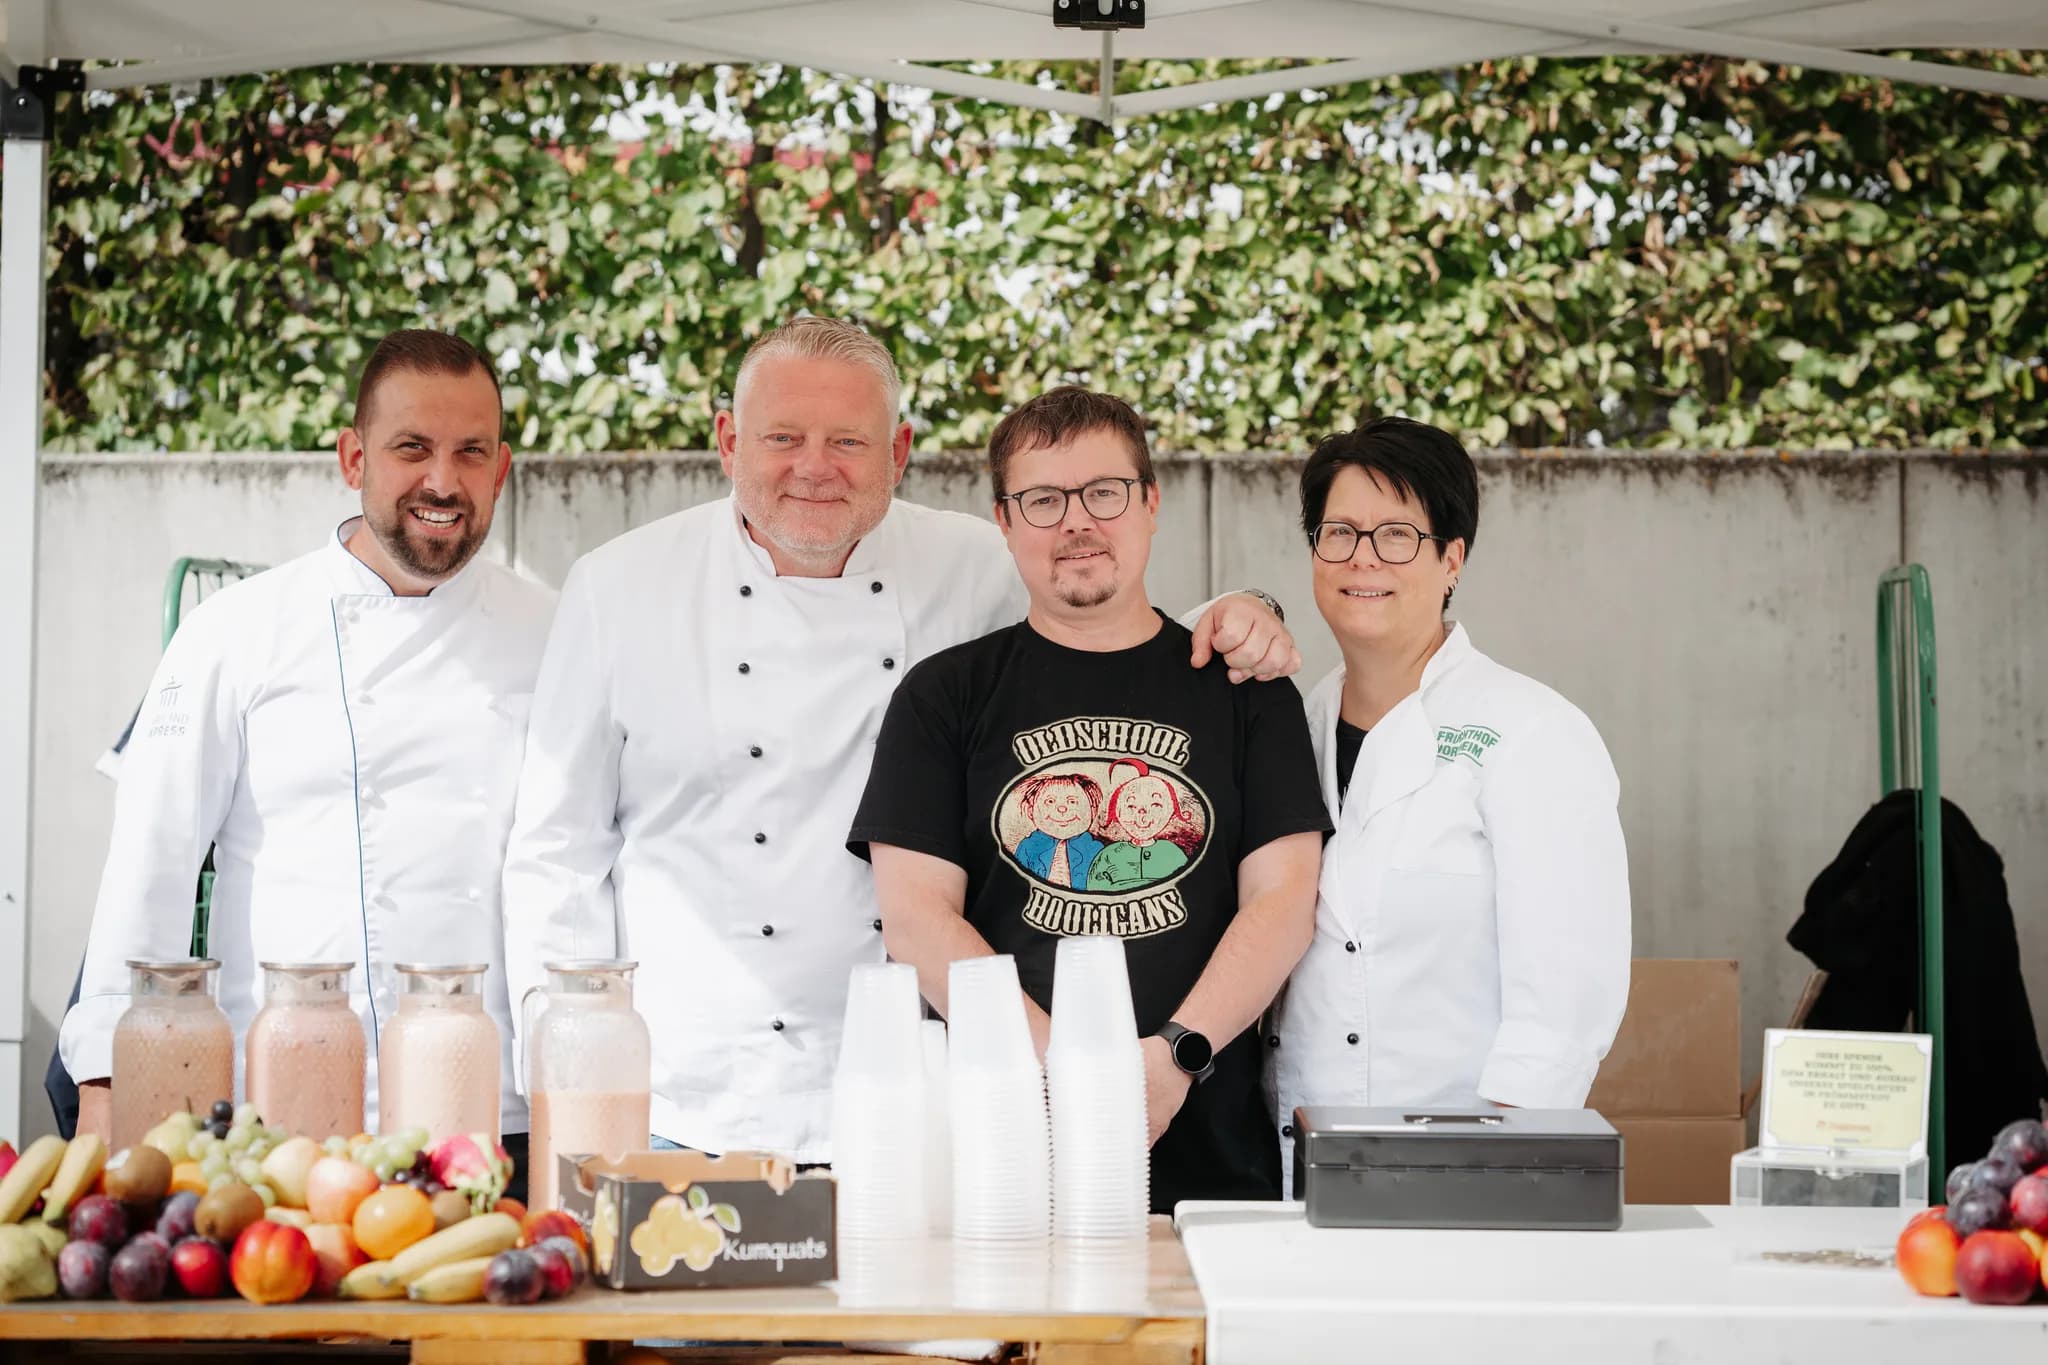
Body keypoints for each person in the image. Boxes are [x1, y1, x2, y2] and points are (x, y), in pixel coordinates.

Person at [501, 319, 1299, 1165]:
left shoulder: (974, 562)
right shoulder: (617, 588)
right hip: (684, 1094)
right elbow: (559, 853)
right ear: (728, 440)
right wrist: (569, 1083)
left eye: (849, 440)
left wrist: (1246, 609)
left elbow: (1109, 616)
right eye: (783, 438)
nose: (815, 467)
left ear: (900, 450)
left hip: (909, 1098)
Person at [61, 331, 552, 1182]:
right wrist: (104, 1088)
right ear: (352, 456)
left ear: (501, 470)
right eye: (412, 449)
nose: (443, 481)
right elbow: (153, 866)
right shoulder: (235, 631)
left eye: (470, 452)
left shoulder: (556, 634)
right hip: (281, 1110)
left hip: (497, 1111)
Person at [849, 386, 1329, 1211]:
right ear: (1004, 521)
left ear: (1149, 503)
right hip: (1000, 1154)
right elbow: (917, 918)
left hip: (1209, 1158)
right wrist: (1063, 1070)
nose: (1077, 521)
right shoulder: (944, 697)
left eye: (1103, 492)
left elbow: (1285, 900)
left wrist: (1174, 1057)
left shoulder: (1251, 693)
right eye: (1042, 499)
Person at [1267, 416, 1630, 1183]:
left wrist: (1497, 1165)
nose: (1363, 558)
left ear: (1452, 559)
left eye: (1397, 534)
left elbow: (1564, 1002)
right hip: (1294, 1162)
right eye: (1339, 533)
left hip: (1463, 1170)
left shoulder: (1532, 731)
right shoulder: (1290, 724)